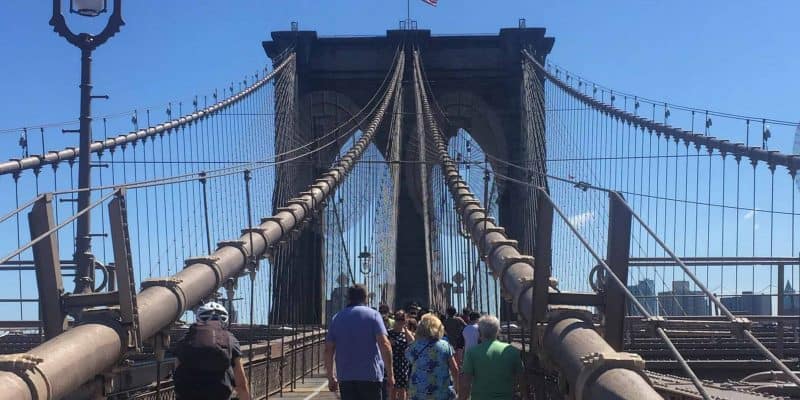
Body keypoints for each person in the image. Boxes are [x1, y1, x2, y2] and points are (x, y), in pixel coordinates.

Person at [325, 285, 395, 399]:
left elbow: (328, 349)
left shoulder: (337, 318)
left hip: (346, 377)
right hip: (371, 376)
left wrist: (331, 377)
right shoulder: (374, 315)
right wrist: (391, 374)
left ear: (348, 298)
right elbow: (385, 345)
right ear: (365, 298)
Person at [172, 302, 251, 400]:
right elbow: (241, 383)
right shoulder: (230, 340)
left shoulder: (185, 340)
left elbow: (176, 373)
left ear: (198, 320)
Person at [459, 315, 526, 400]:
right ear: (498, 331)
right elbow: (522, 379)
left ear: (479, 332)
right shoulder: (512, 351)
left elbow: (466, 383)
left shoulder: (472, 353)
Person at [405, 314, 459, 400]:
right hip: (441, 392)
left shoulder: (414, 346)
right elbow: (454, 369)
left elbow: (409, 359)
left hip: (419, 392)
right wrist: (456, 387)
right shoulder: (445, 345)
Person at [388, 310, 415, 400]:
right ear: (395, 319)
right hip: (391, 362)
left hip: (403, 364)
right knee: (392, 388)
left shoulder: (406, 333)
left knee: (402, 389)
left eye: (402, 319)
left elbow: (412, 343)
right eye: (398, 319)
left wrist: (406, 329)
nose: (400, 321)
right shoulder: (389, 333)